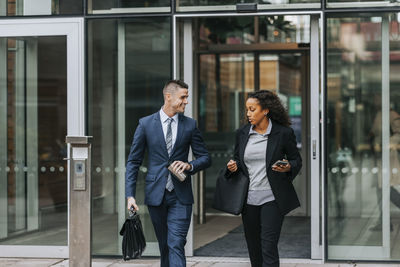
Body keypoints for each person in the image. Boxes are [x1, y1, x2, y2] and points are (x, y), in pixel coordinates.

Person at [125, 80, 211, 267]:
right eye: (183, 97)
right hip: (156, 195)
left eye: (187, 97)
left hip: (181, 196)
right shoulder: (146, 124)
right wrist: (130, 196)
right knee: (165, 246)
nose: (186, 101)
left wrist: (189, 165)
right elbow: (133, 161)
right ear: (168, 96)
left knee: (176, 243)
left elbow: (205, 157)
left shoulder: (190, 125)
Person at [226, 90, 302, 267]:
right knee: (254, 248)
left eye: (252, 109)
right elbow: (237, 158)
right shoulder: (243, 133)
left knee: (268, 246)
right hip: (248, 199)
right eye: (247, 110)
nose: (248, 114)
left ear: (265, 110)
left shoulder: (283, 133)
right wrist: (233, 165)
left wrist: (288, 166)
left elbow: (296, 160)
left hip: (272, 198)